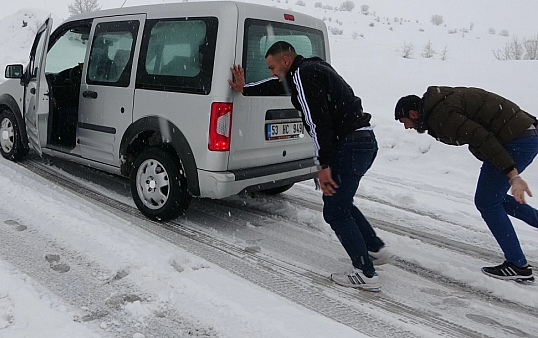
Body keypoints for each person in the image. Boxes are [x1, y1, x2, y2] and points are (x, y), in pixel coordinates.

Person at [229, 41, 392, 291]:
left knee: (335, 212)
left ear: (285, 61)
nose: (271, 72)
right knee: (341, 202)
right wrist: (245, 89)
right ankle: (374, 249)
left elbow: (318, 123)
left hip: (349, 146)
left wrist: (323, 163)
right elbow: (277, 84)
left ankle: (365, 273)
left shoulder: (303, 75)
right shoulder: (310, 69)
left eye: (272, 66)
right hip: (364, 142)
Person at [395, 88, 537, 282]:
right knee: (492, 198)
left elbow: (483, 139)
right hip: (524, 134)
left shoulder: (442, 114)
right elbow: (493, 108)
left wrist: (513, 175)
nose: (407, 127)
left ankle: (518, 265)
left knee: (487, 202)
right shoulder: (442, 102)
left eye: (405, 122)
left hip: (515, 141)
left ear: (413, 114)